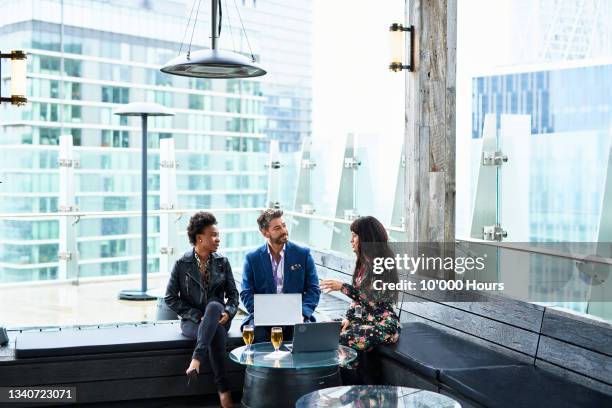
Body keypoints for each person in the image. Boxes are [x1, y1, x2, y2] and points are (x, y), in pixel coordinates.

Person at [164, 211, 238, 408]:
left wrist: (228, 312)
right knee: (215, 334)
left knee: (214, 306)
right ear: (200, 238)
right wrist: (197, 315)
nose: (218, 239)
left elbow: (233, 296)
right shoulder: (182, 264)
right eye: (213, 235)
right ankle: (224, 392)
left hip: (219, 318)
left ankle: (196, 360)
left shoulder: (222, 262)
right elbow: (170, 298)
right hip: (193, 322)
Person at [320, 216, 401, 383]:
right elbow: (357, 301)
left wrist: (342, 287)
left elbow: (371, 298)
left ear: (366, 238)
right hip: (364, 320)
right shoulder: (362, 263)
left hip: (383, 324)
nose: (351, 240)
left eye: (355, 235)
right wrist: (347, 319)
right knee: (327, 330)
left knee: (342, 338)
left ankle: (353, 386)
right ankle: (347, 384)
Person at [240, 208, 321, 343]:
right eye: (277, 228)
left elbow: (314, 289)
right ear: (265, 232)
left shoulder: (303, 254)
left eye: (284, 225)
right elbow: (246, 292)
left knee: (302, 336)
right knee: (257, 336)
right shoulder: (252, 258)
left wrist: (303, 313)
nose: (283, 231)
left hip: (296, 315)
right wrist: (261, 314)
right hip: (264, 316)